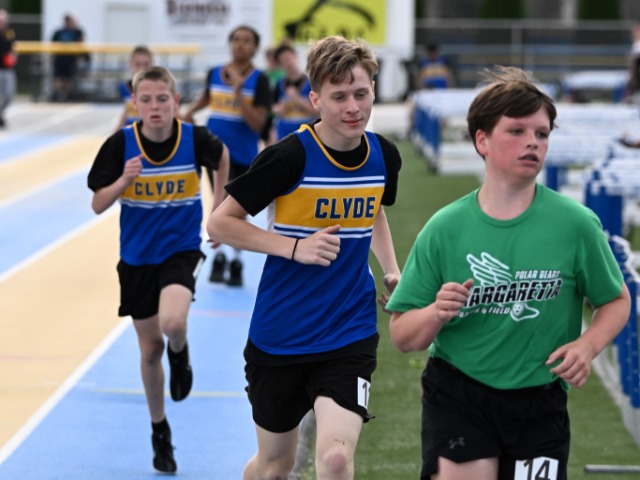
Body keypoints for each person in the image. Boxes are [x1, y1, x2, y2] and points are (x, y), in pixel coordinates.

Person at [385, 66, 631, 480]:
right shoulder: (445, 229)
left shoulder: (575, 224)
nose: (533, 142)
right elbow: (403, 336)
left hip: (539, 401)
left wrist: (587, 346)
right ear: (482, 140)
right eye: (516, 131)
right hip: (459, 394)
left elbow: (616, 300)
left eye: (542, 134)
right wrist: (435, 313)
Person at [207, 35, 402, 480]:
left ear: (374, 90)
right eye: (339, 97)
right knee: (275, 467)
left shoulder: (384, 156)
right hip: (280, 335)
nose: (353, 107)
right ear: (315, 100)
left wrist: (392, 270)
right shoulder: (288, 157)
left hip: (348, 330)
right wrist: (295, 248)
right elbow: (219, 224)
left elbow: (374, 209)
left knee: (335, 459)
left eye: (361, 93)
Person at [87, 66, 229, 474]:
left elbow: (222, 157)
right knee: (150, 349)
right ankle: (160, 431)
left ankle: (180, 354)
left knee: (173, 322)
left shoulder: (193, 138)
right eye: (146, 99)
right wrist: (123, 181)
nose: (154, 107)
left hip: (180, 250)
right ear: (134, 103)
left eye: (162, 99)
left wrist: (218, 208)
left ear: (176, 101)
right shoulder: (121, 145)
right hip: (136, 259)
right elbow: (97, 204)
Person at [183, 24, 271, 287]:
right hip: (215, 153)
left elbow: (258, 124)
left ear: (254, 47)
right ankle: (220, 257)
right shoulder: (215, 73)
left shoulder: (260, 80)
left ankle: (235, 259)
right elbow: (206, 97)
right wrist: (189, 113)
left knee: (235, 211)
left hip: (243, 155)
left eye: (246, 40)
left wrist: (238, 94)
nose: (240, 44)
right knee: (219, 204)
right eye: (236, 39)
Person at [271, 43, 318, 141]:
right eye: (283, 61)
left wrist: (297, 99)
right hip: (284, 136)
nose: (288, 63)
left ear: (296, 57)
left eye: (289, 58)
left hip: (306, 135)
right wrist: (281, 107)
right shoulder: (279, 84)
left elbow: (318, 112)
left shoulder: (311, 83)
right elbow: (274, 109)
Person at [115, 45, 154, 130]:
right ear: (130, 65)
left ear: (152, 65)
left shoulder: (158, 89)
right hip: (130, 131)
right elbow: (127, 111)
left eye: (146, 65)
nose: (142, 69)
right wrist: (116, 132)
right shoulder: (124, 88)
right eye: (138, 64)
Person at [50, 13, 85, 102]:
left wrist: (78, 57)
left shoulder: (77, 32)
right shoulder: (58, 32)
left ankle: (66, 96)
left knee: (69, 79)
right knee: (58, 78)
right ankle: (58, 95)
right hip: (60, 59)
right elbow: (52, 44)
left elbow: (81, 43)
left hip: (71, 59)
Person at [0, 9, 16, 128]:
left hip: (7, 69)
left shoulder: (9, 33)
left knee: (9, 95)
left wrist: (13, 58)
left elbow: (13, 49)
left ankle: (1, 113)